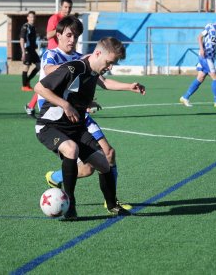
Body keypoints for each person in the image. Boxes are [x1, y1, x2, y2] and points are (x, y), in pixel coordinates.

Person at [37, 16, 145, 211]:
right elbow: (45, 80)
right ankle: (66, 198)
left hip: (77, 120)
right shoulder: (65, 61)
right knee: (77, 157)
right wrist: (69, 100)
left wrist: (128, 86)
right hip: (53, 120)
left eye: (76, 36)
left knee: (106, 158)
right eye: (68, 35)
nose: (72, 40)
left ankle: (112, 203)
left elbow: (100, 82)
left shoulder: (88, 64)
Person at [179, 9, 216, 108]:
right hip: (205, 56)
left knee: (200, 78)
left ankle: (185, 97)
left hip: (212, 57)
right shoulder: (211, 26)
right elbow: (199, 37)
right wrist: (201, 49)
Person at [24, 0, 73, 116]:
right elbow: (48, 34)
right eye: (65, 7)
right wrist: (62, 29)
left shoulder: (69, 20)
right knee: (48, 83)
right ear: (61, 7)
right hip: (52, 55)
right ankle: (32, 105)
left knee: (55, 83)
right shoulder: (54, 18)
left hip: (64, 55)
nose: (67, 9)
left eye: (69, 7)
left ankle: (31, 106)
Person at [20, 11, 40, 92]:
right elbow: (21, 39)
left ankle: (27, 81)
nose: (32, 18)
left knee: (39, 66)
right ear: (27, 18)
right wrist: (23, 52)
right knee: (26, 67)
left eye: (33, 17)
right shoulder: (25, 27)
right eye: (31, 17)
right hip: (27, 50)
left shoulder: (33, 27)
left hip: (32, 50)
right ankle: (24, 86)